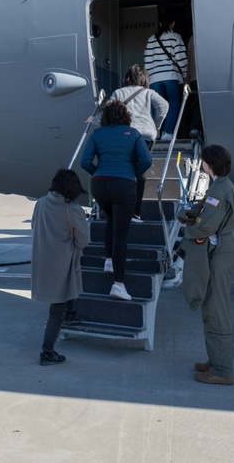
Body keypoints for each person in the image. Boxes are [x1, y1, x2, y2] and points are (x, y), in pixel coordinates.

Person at [177, 145, 234, 386]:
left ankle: (223, 370)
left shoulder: (220, 190)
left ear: (208, 164)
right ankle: (216, 360)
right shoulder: (219, 186)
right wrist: (189, 214)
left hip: (219, 253)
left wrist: (187, 228)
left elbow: (206, 226)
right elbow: (204, 212)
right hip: (218, 251)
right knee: (211, 309)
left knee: (217, 311)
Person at [80, 101, 152, 301]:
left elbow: (84, 162)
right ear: (125, 116)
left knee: (111, 218)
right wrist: (132, 174)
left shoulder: (97, 134)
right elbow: (146, 161)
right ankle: (118, 284)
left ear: (105, 117)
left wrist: (99, 174)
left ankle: (109, 260)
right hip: (124, 185)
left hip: (100, 185)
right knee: (121, 234)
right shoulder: (133, 133)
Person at [30, 169, 90, 366]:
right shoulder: (72, 209)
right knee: (56, 309)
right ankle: (47, 352)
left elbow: (34, 226)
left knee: (63, 296)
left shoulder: (40, 203)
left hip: (42, 261)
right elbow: (83, 240)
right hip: (63, 262)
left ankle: (72, 313)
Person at [109, 64, 169, 220]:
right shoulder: (149, 93)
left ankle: (120, 209)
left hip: (124, 135)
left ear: (127, 77)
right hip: (145, 136)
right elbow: (164, 105)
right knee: (140, 174)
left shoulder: (119, 92)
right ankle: (136, 212)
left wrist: (92, 119)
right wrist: (156, 124)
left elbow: (107, 113)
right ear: (144, 78)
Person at [144, 16, 188, 140]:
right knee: (173, 103)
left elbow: (147, 61)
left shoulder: (151, 39)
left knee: (155, 105)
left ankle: (153, 132)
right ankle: (166, 132)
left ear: (159, 23)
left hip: (154, 78)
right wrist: (184, 74)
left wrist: (148, 77)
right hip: (170, 76)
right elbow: (181, 58)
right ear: (173, 23)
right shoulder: (175, 37)